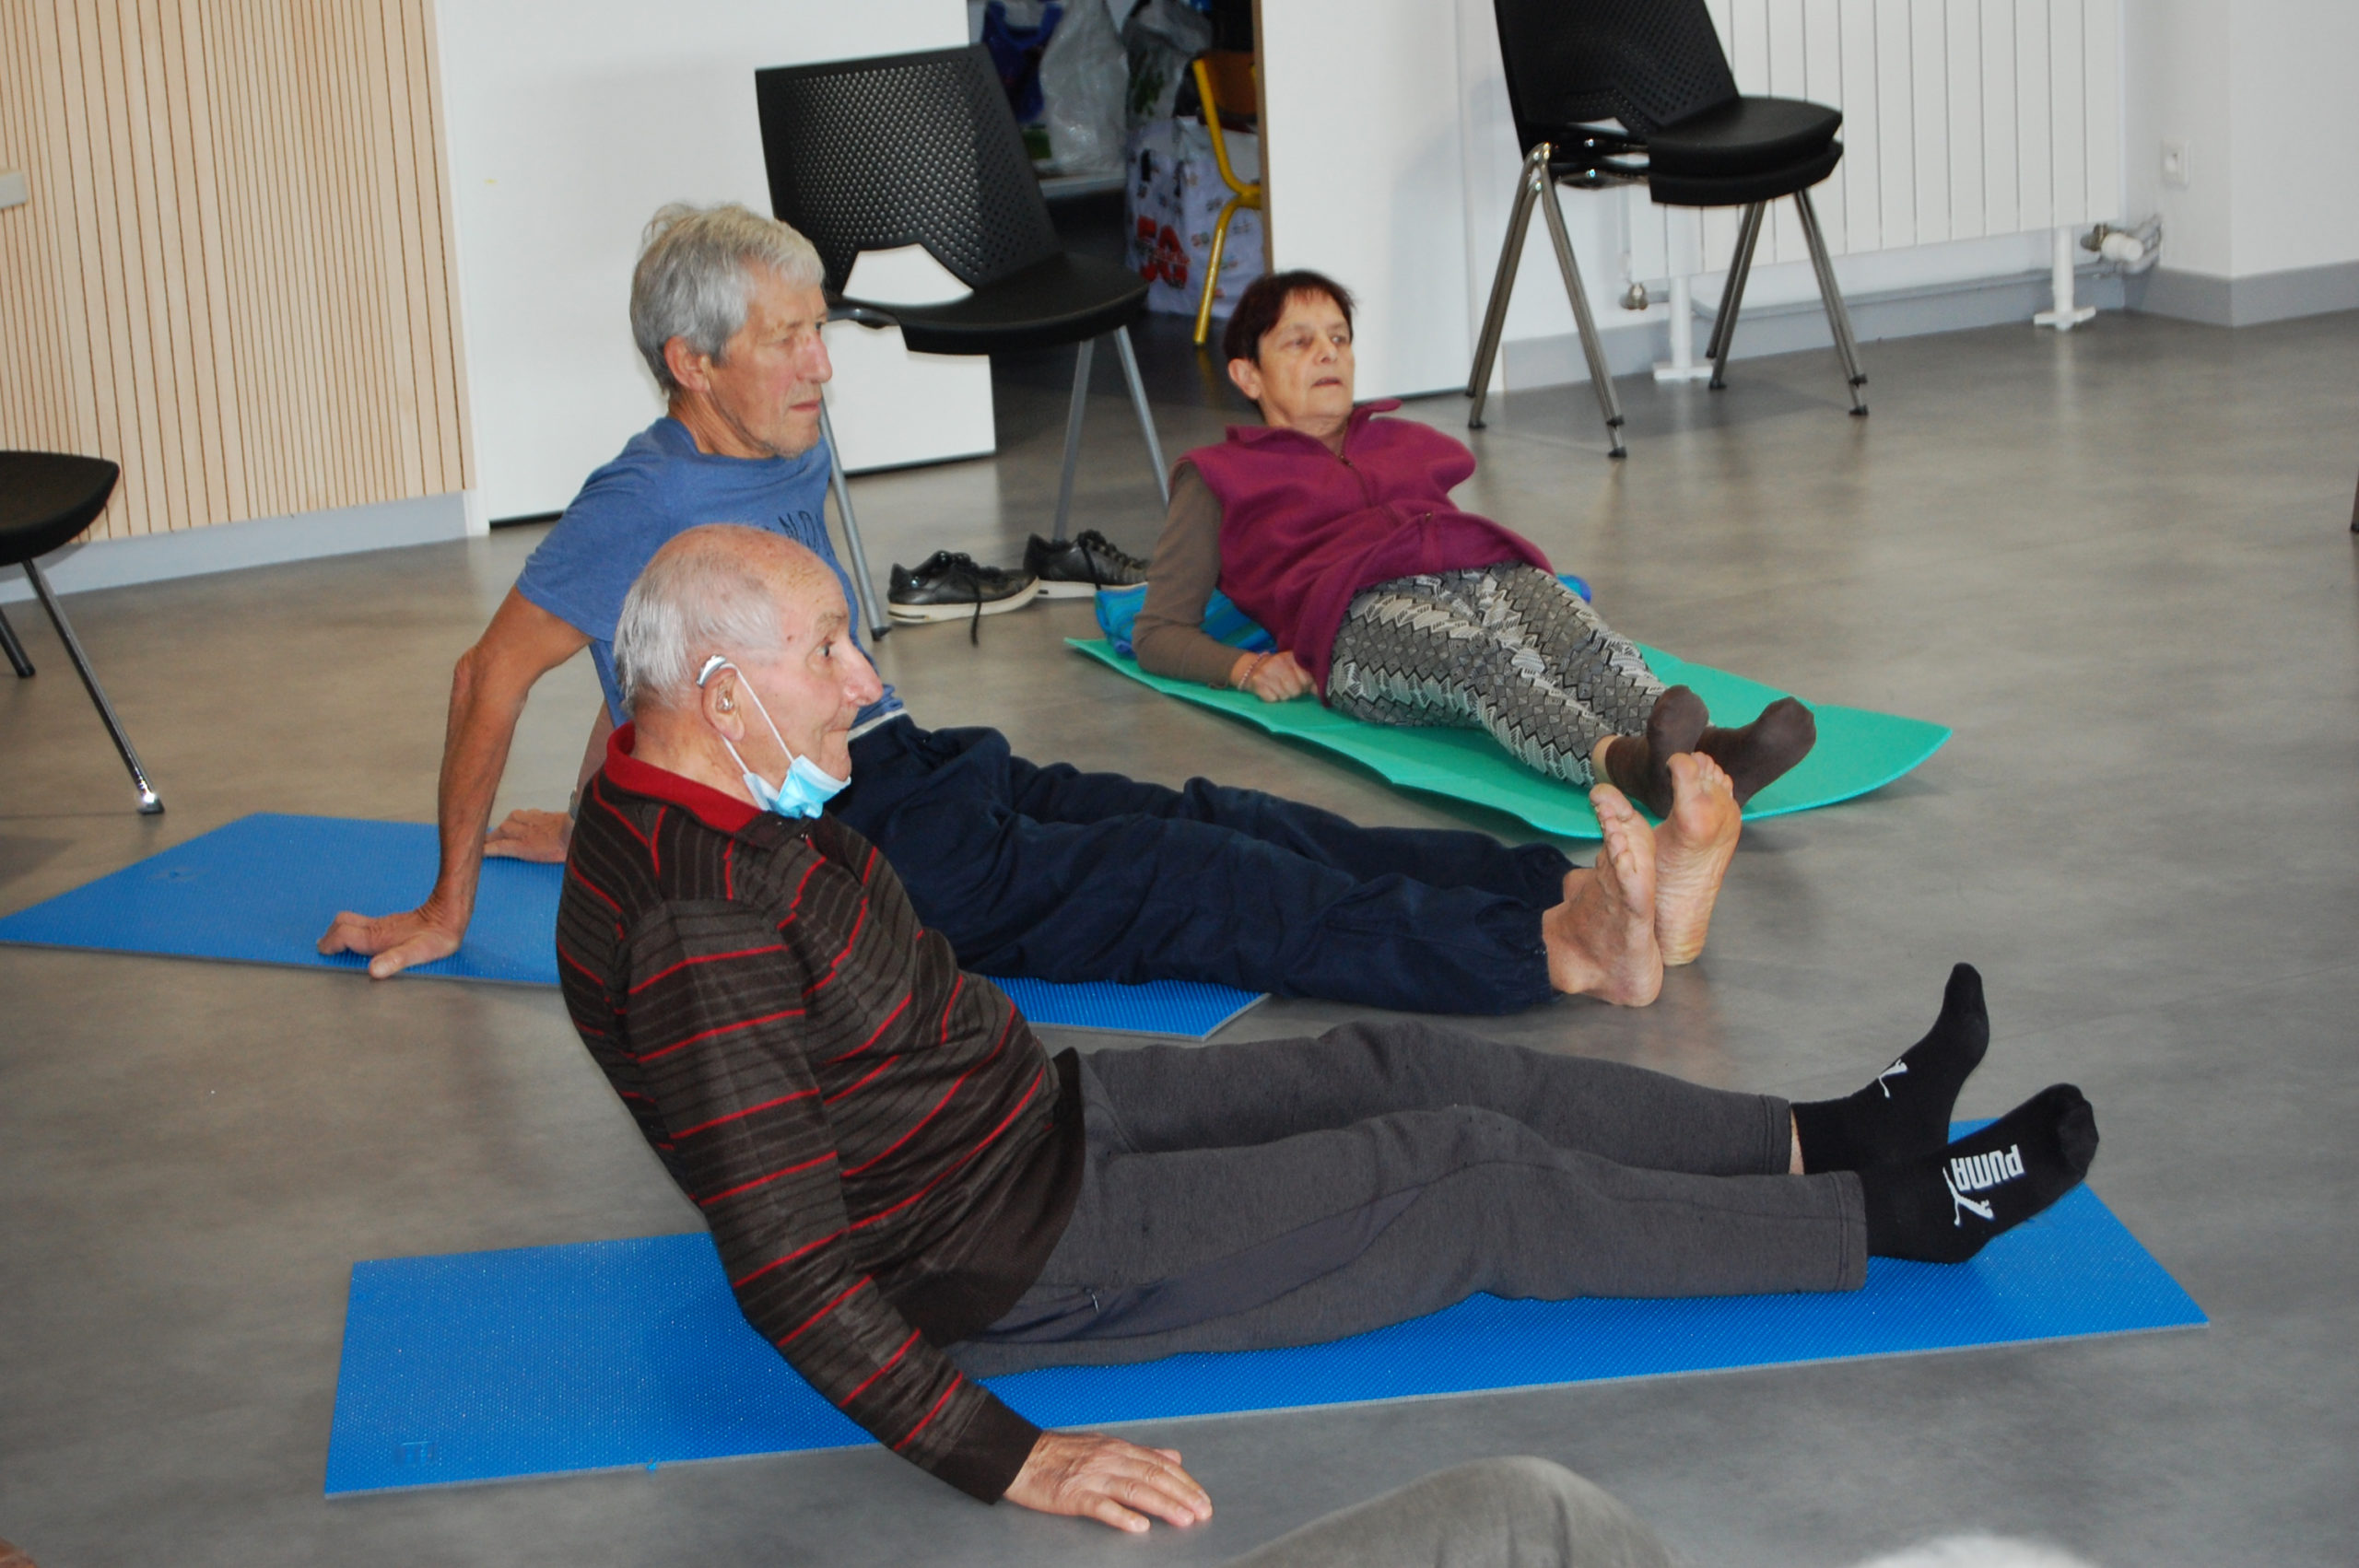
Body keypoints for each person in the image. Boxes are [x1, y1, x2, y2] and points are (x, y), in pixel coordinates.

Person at [555, 522, 2099, 1531]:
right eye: (826, 650)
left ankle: (1829, 1130)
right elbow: (790, 1265)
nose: (862, 678)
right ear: (717, 688)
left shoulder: (682, 775)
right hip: (1011, 1245)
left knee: (1401, 1064)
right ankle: (1891, 1216)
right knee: (1465, 1183)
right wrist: (1010, 1454)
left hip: (1037, 1125)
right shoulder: (700, 931)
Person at [319, 202, 1747, 1012]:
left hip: (892, 764)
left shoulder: (783, 435)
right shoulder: (637, 501)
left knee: (1212, 817)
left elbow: (657, 677)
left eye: (822, 327)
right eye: (787, 338)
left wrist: (597, 816)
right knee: (1195, 888)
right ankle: (1554, 952)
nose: (823, 362)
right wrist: (450, 901)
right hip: (836, 859)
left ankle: (1575, 890)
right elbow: (487, 677)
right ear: (691, 363)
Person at [1133, 269, 1821, 824]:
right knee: (1484, 660)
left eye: (1339, 339)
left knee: (1581, 640)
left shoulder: (1399, 437)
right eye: (1300, 342)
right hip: (1354, 618)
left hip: (1480, 567)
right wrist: (1244, 669)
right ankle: (1626, 763)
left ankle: (1711, 757)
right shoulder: (1217, 476)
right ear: (1248, 376)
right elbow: (1159, 631)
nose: (1328, 354)